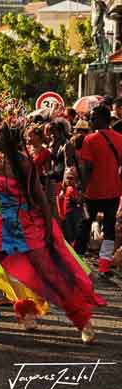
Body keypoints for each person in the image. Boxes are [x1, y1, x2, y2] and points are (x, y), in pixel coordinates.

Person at [0, 124, 105, 343]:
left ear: (8, 140)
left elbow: (40, 198)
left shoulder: (23, 163)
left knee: (51, 276)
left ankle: (83, 322)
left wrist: (47, 228)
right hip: (3, 227)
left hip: (28, 227)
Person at [79, 105, 122, 278]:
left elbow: (87, 167)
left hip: (93, 192)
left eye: (93, 116)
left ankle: (80, 263)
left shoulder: (89, 140)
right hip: (113, 191)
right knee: (109, 227)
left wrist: (83, 188)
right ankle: (104, 266)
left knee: (85, 224)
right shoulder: (120, 139)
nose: (91, 119)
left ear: (102, 119)